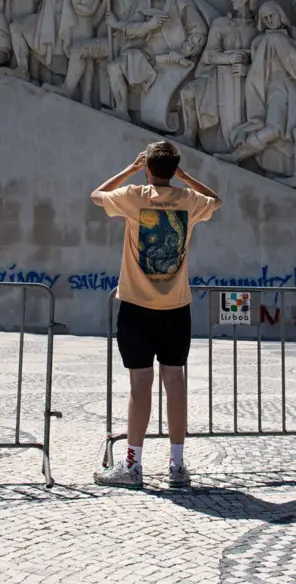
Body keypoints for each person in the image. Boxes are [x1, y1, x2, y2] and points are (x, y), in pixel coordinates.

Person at [91, 141, 221, 489]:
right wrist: (185, 177)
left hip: (136, 306)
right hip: (176, 308)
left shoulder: (134, 195)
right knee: (175, 381)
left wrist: (131, 169)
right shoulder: (189, 200)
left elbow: (97, 195)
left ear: (147, 168)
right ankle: (177, 466)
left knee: (140, 385)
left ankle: (133, 466)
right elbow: (217, 200)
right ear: (173, 169)